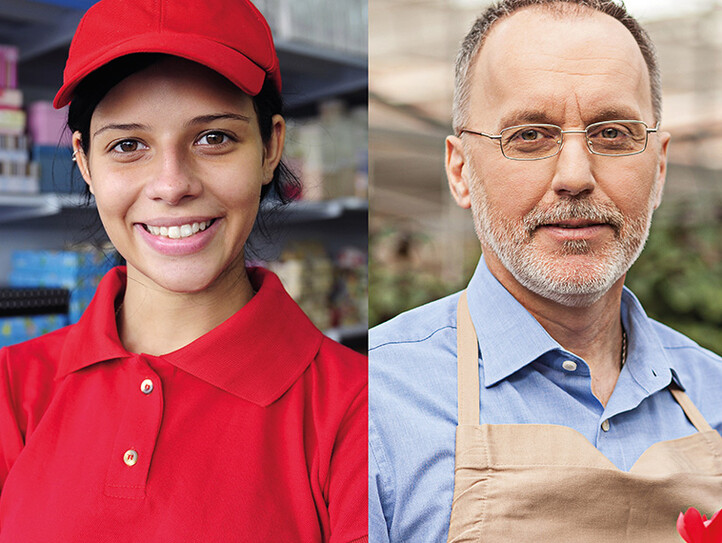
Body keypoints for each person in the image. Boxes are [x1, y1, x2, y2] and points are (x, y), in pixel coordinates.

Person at [0, 1, 367, 541]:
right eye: (128, 145)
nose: (172, 185)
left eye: (213, 137)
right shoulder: (12, 389)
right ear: (84, 161)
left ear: (271, 146)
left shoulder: (356, 410)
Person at [369, 1, 722, 541]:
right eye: (530, 135)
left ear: (659, 170)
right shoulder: (371, 404)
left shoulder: (713, 394)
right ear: (460, 171)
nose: (575, 175)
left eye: (613, 134)